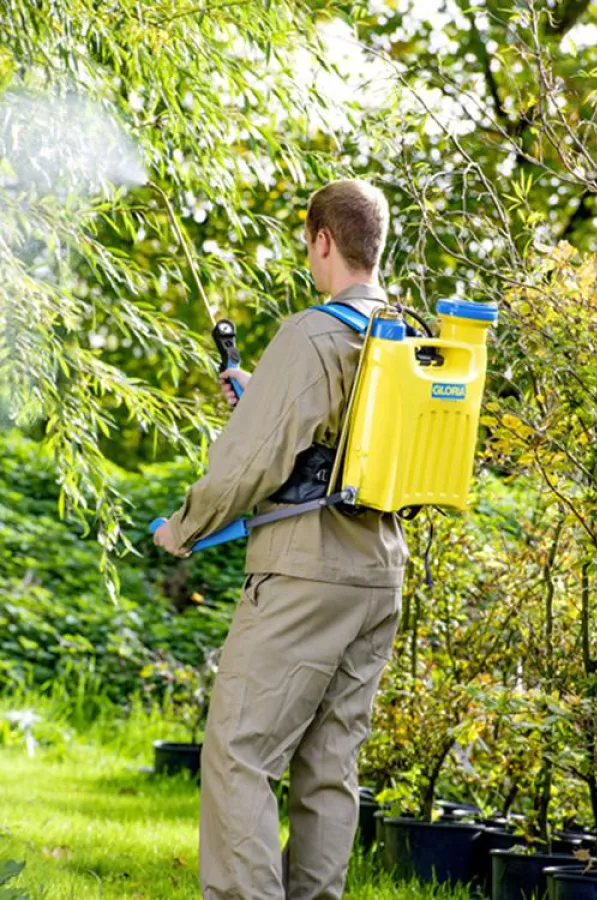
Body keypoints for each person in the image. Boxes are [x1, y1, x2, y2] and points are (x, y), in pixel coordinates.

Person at [153, 179, 408, 899]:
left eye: (308, 244)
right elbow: (345, 440)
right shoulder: (408, 335)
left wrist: (187, 525)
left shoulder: (311, 333)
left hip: (305, 572)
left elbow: (251, 459)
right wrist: (264, 388)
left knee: (238, 754)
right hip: (380, 573)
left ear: (323, 240)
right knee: (329, 767)